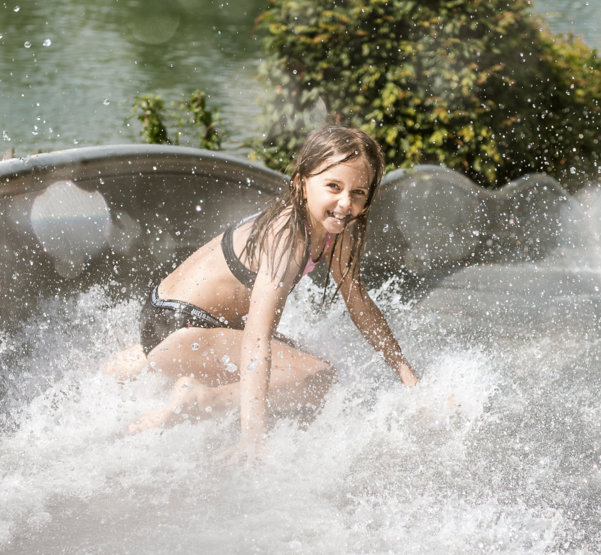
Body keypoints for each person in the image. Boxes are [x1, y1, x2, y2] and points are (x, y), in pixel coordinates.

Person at [105, 125, 420, 457]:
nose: (345, 203)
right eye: (333, 186)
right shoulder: (288, 236)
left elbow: (359, 303)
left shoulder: (338, 228)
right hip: (182, 324)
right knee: (321, 378)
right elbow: (257, 341)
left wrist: (408, 377)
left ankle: (145, 358)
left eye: (358, 192)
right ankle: (201, 398)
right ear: (301, 183)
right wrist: (253, 437)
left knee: (304, 357)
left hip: (176, 316)